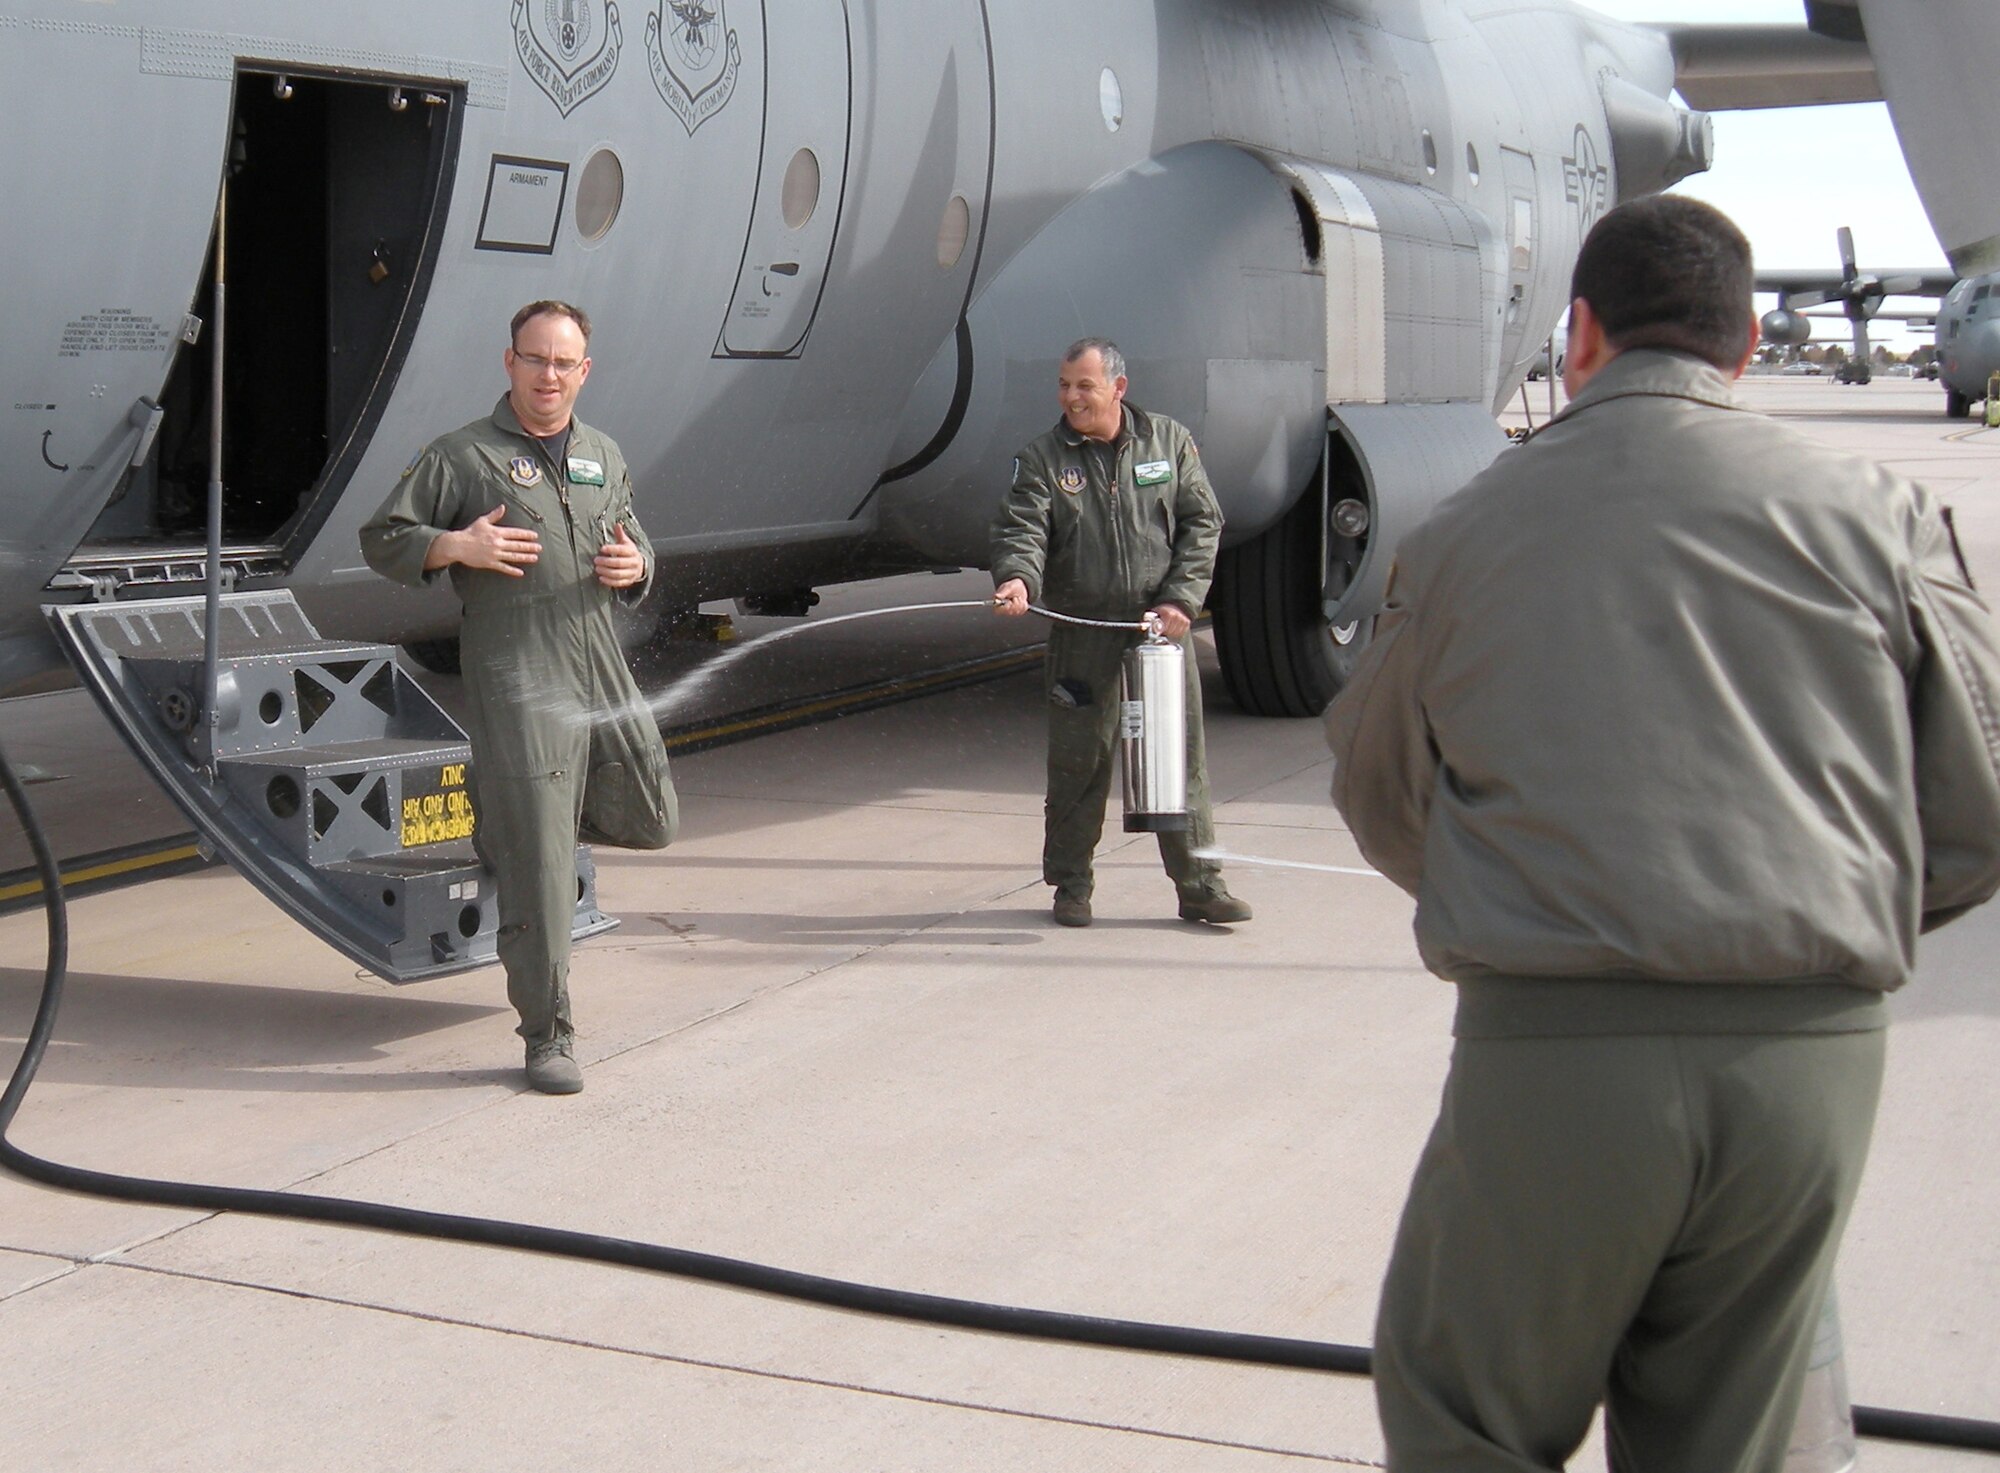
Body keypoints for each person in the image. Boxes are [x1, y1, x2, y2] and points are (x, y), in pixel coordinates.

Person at [1326, 196, 2000, 1471]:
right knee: (1732, 1441)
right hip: (1806, 1064)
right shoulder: (1876, 514)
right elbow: (1979, 804)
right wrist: (1816, 917)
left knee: (1465, 1415)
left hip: (1555, 1055)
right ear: (1743, 345)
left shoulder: (1465, 532)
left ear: (1576, 334)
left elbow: (1378, 791)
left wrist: (1524, 897)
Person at [361, 301, 677, 1095]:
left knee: (653, 813)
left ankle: (509, 821)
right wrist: (454, 544)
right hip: (518, 666)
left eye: (563, 363)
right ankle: (548, 1032)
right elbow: (382, 535)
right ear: (509, 363)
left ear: (584, 372)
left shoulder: (603, 452)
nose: (548, 375)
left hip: (597, 657)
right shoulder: (463, 455)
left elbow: (634, 536)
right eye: (534, 359)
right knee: (543, 859)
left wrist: (635, 568)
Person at [991, 338, 1250, 928]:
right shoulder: (1043, 459)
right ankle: (1071, 886)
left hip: (1158, 631)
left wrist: (1182, 599)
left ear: (1118, 388)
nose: (1072, 398)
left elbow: (1202, 523)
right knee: (1080, 762)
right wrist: (1017, 579)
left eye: (1084, 385)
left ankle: (1201, 887)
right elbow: (1022, 529)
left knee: (1178, 762)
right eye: (1064, 385)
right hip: (1083, 631)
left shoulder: (1168, 442)